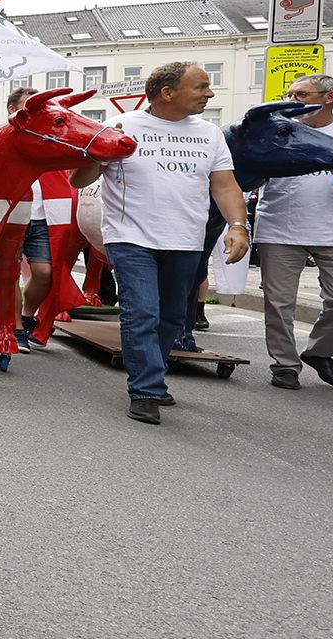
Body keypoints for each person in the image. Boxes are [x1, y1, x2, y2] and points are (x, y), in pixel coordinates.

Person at [71, 62, 247, 425]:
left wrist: (238, 225)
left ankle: (152, 370)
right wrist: (99, 152)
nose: (209, 94)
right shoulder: (122, 127)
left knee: (171, 317)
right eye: (201, 87)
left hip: (186, 239)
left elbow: (225, 185)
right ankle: (146, 388)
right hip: (130, 236)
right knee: (143, 311)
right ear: (167, 93)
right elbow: (78, 179)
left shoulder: (210, 133)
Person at [252, 74, 333, 390]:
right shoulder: (277, 128)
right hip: (279, 227)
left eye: (301, 94)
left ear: (330, 96)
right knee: (278, 304)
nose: (292, 100)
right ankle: (285, 365)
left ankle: (320, 352)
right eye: (289, 93)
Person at [8, 87, 55, 351]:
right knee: (10, 273)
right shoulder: (3, 138)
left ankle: (26, 315)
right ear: (13, 110)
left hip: (40, 215)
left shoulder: (48, 138)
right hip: (11, 217)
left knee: (43, 273)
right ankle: (16, 328)